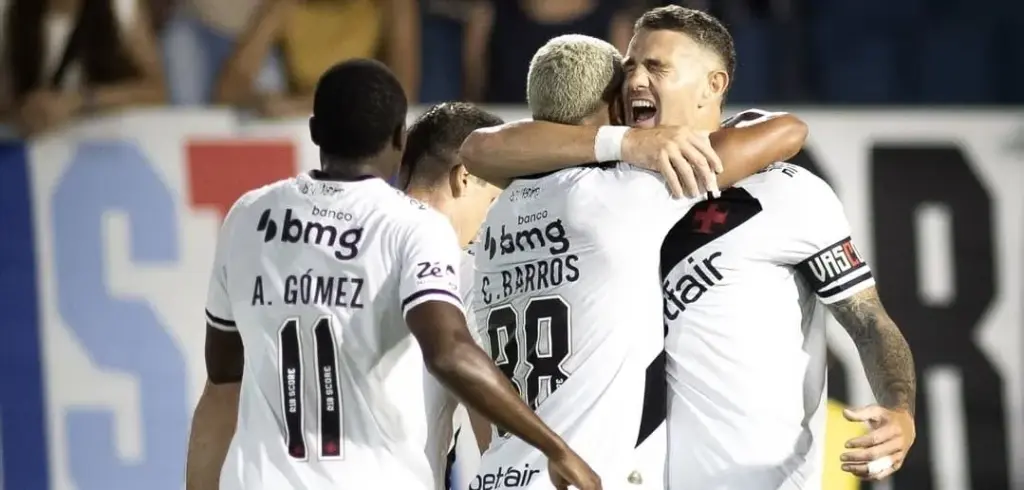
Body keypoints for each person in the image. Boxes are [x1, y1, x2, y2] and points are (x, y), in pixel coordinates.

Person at [459, 6, 918, 489]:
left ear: (713, 85)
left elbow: (869, 321)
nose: (635, 79)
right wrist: (627, 145)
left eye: (657, 68)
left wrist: (901, 408)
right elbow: (485, 147)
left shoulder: (787, 192)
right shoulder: (612, 192)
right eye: (630, 66)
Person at [183, 59, 601, 490]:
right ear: (398, 140)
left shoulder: (249, 216)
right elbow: (455, 365)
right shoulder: (426, 242)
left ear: (314, 131)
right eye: (495, 199)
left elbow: (220, 387)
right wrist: (556, 448)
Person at [396, 101, 506, 489]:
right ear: (463, 178)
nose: (491, 220)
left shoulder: (338, 248)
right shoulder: (466, 271)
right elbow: (493, 440)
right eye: (493, 200)